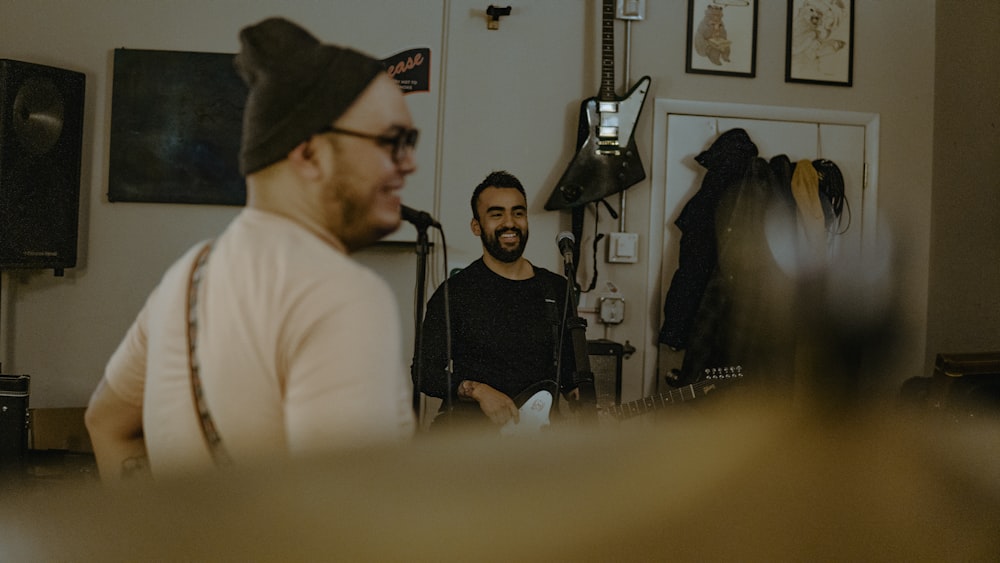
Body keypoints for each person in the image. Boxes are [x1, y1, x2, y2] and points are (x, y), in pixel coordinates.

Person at [85, 17, 417, 481]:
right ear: (309, 153)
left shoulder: (185, 276)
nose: (410, 163)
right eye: (393, 141)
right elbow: (350, 526)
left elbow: (106, 423)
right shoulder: (340, 294)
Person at [415, 171, 581, 433]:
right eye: (496, 214)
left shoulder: (557, 288)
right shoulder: (455, 292)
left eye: (518, 212)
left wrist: (582, 397)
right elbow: (424, 373)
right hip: (471, 444)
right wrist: (477, 390)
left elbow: (572, 372)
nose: (510, 223)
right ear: (476, 226)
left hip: (539, 446)